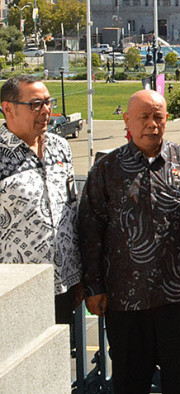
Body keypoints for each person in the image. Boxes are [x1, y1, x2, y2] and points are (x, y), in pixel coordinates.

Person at [78, 90, 180, 394]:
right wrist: (94, 287)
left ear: (166, 119)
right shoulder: (107, 168)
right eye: (144, 117)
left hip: (179, 299)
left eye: (158, 116)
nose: (152, 124)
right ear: (127, 120)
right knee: (129, 383)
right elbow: (90, 229)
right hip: (125, 300)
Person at [0, 74, 80, 324]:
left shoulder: (60, 147)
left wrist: (81, 275)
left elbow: (72, 209)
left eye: (48, 102)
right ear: (7, 108)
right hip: (15, 289)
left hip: (64, 286)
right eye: (36, 104)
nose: (46, 110)